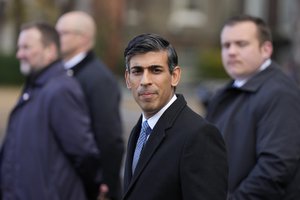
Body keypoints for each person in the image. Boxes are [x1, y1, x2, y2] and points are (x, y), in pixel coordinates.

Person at [0, 22, 100, 199]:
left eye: (26, 47)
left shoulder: (61, 90)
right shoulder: (35, 87)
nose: (19, 54)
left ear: (51, 50)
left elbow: (84, 154)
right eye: (18, 48)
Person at [122, 33, 228, 200]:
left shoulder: (199, 135)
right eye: (137, 71)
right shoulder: (140, 130)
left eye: (155, 70)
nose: (145, 81)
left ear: (175, 76)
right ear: (128, 79)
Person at [206, 15, 300, 199]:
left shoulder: (280, 94)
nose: (231, 52)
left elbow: (276, 168)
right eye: (226, 45)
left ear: (266, 49)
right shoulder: (227, 92)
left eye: (241, 44)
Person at [55, 11, 124, 200]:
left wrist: (106, 186)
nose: (56, 38)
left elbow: (109, 137)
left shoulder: (99, 79)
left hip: (89, 187)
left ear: (84, 38)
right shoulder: (61, 73)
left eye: (63, 33)